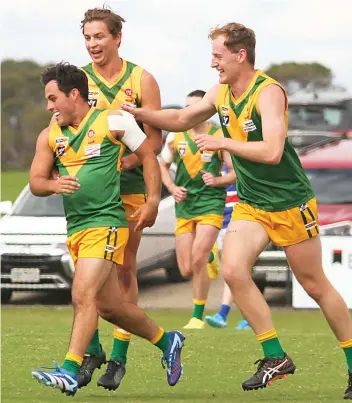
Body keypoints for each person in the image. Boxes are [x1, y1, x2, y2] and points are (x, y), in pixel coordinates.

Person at [121, 23, 352, 399]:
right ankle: (275, 356)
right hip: (251, 203)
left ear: (240, 54)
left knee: (314, 285)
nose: (213, 63)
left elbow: (273, 151)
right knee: (231, 269)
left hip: (290, 203)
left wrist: (222, 140)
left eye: (218, 56)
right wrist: (139, 113)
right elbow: (181, 119)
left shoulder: (269, 92)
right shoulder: (221, 91)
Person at [30, 62, 185, 397]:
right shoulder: (50, 135)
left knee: (81, 295)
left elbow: (148, 156)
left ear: (74, 94)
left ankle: (71, 369)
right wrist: (55, 187)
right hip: (77, 228)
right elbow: (36, 182)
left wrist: (153, 201)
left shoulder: (113, 120)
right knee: (111, 308)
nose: (49, 106)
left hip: (108, 223)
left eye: (53, 98)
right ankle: (167, 340)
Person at [78, 7, 163, 390]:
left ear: (117, 38)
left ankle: (119, 357)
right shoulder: (78, 80)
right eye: (88, 37)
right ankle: (91, 349)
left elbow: (156, 141)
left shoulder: (142, 80)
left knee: (124, 270)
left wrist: (121, 163)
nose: (93, 44)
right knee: (87, 278)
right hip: (87, 197)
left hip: (129, 191)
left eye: (99, 37)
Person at [160, 90, 236, 330]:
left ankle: (197, 316)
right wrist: (172, 187)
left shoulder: (218, 136)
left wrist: (217, 181)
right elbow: (162, 165)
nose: (189, 112)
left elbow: (235, 172)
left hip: (211, 203)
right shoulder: (175, 136)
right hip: (185, 205)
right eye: (186, 107)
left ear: (206, 109)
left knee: (198, 256)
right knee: (185, 268)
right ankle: (211, 255)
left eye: (194, 107)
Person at [205, 164, 251, 331]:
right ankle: (246, 316)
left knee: (236, 271)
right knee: (234, 272)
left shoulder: (240, 163)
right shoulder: (216, 163)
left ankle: (225, 314)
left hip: (239, 222)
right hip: (220, 221)